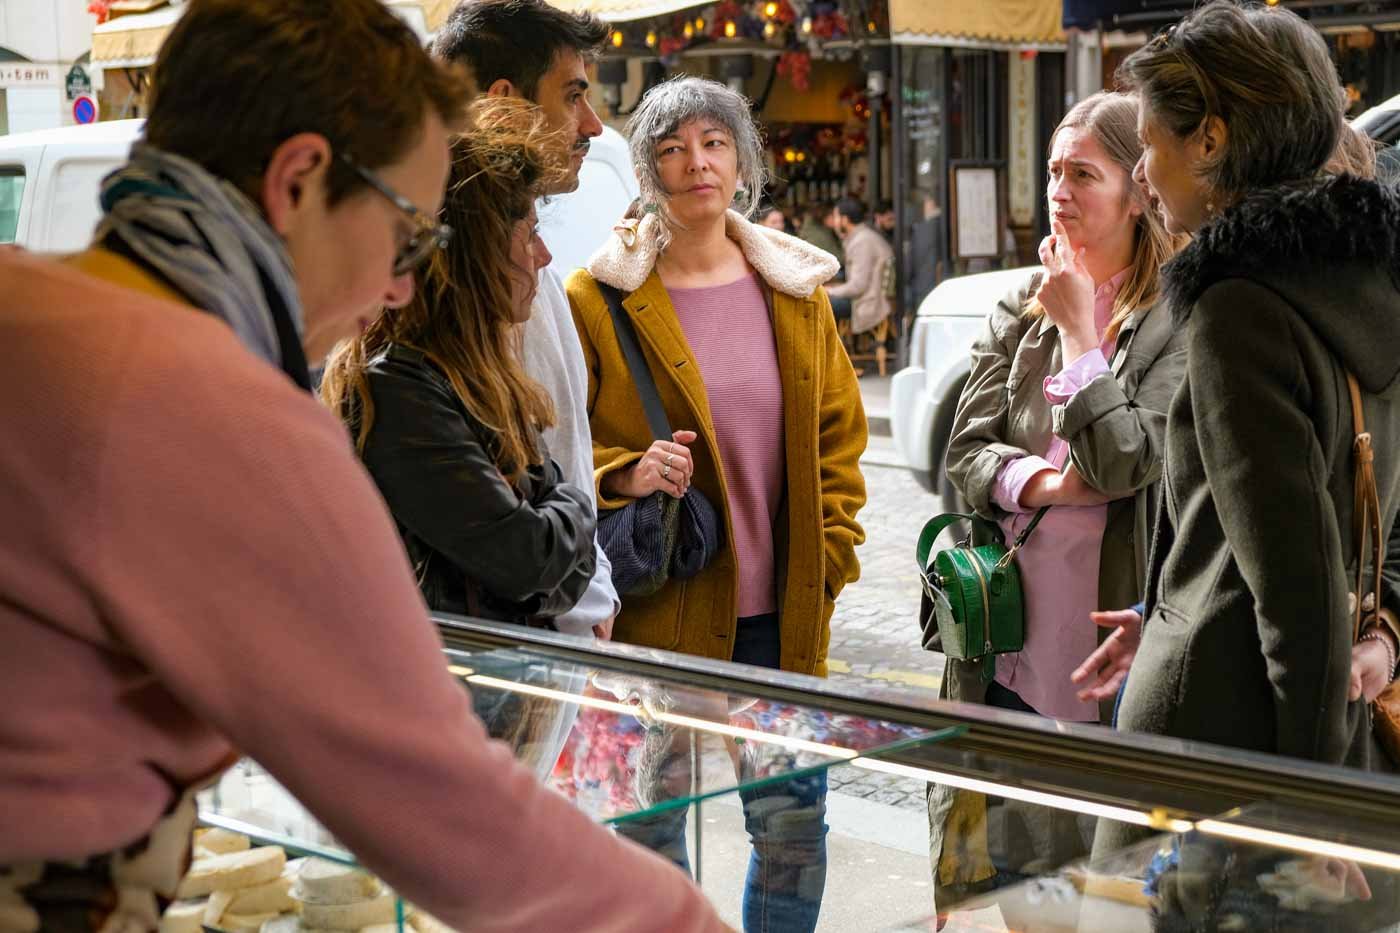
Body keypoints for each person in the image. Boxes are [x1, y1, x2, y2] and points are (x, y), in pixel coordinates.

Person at [0, 2, 729, 930]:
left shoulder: (24, 302)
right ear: (298, 181)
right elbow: (446, 812)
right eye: (407, 236)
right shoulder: (223, 417)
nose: (401, 285)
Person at [566, 75, 868, 932]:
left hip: (780, 621)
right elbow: (555, 444)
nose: (694, 162)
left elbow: (839, 440)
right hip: (663, 607)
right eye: (670, 147)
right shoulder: (601, 299)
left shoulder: (795, 290)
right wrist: (624, 474)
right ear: (647, 171)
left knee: (792, 832)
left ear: (742, 161)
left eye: (713, 142)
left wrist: (833, 554)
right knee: (654, 828)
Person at [1107, 0, 1400, 782]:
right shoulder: (1373, 286)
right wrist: (1386, 633)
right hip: (1340, 727)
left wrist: (1308, 804)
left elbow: (1294, 590)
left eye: (1147, 145)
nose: (1141, 172)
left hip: (1222, 741)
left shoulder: (1238, 306)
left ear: (1211, 138)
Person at [929, 90, 1184, 917]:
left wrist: (1081, 336)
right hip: (1005, 650)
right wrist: (1041, 482)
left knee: (1104, 895)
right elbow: (963, 451)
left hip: (1109, 658)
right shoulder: (1019, 305)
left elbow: (1125, 458)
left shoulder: (1175, 320)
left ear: (1138, 191)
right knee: (1018, 891)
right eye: (1052, 171)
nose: (1059, 191)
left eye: (1084, 173)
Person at [321, 98, 594, 629]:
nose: (544, 256)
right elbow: (529, 561)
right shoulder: (397, 388)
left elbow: (547, 566)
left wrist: (559, 524)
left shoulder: (470, 375)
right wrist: (580, 509)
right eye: (530, 232)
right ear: (479, 251)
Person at [429, 0, 619, 640]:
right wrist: (583, 600)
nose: (592, 125)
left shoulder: (526, 262)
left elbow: (558, 455)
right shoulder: (450, 288)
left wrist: (593, 594)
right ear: (505, 102)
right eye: (572, 96)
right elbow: (517, 520)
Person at [825, 196, 894, 334]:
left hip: (871, 302)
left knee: (819, 303)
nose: (834, 222)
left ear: (845, 220)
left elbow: (858, 287)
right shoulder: (862, 237)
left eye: (836, 217)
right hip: (870, 296)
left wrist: (828, 291)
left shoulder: (862, 242)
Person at [797, 199, 843, 268]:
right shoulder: (820, 236)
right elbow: (840, 259)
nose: (837, 219)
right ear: (826, 217)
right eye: (834, 216)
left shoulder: (813, 229)